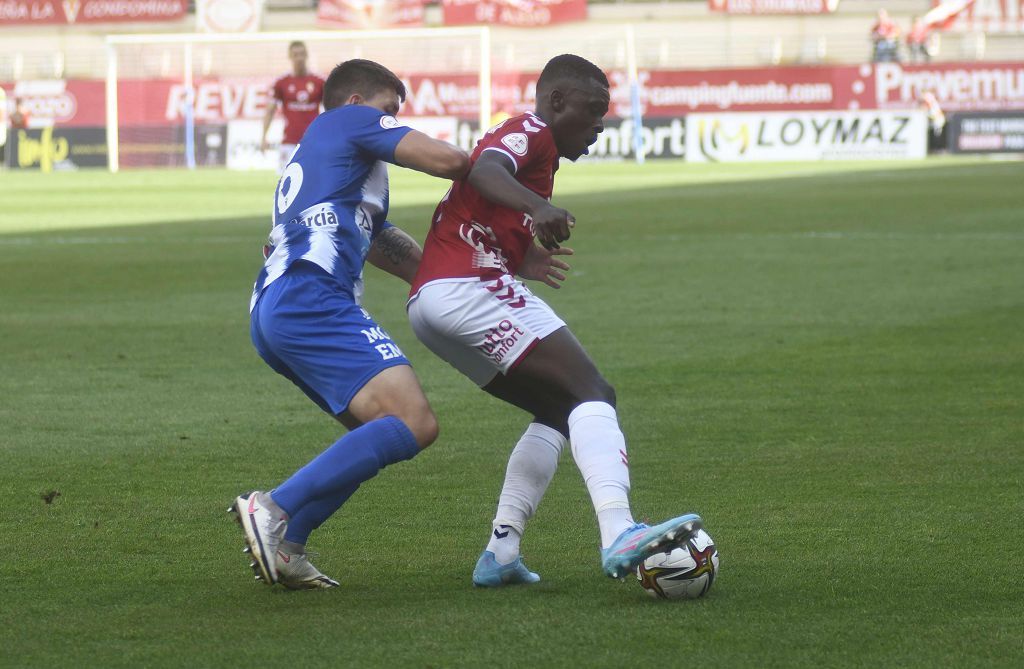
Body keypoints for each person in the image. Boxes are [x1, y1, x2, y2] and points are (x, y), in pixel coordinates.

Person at [406, 54, 705, 587]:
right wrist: (538, 209)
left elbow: (476, 209)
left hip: (434, 303)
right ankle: (619, 530)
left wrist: (523, 256)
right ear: (555, 101)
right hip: (466, 286)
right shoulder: (532, 129)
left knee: (557, 410)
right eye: (592, 112)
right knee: (594, 392)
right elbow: (484, 169)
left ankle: (501, 551)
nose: (598, 126)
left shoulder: (541, 151)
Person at [231, 59, 469, 590]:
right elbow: (449, 160)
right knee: (414, 422)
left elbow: (390, 248)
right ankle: (272, 508)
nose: (392, 121)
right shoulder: (344, 120)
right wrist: (497, 171)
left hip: (280, 304)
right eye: (389, 110)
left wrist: (480, 274)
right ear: (358, 102)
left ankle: (289, 546)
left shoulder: (340, 166)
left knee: (376, 430)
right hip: (311, 296)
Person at [261, 41, 325, 172]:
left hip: (313, 142)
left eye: (302, 54)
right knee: (286, 187)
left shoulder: (319, 82)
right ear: (290, 57)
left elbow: (331, 110)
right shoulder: (281, 83)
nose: (299, 58)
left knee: (314, 184)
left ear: (307, 55)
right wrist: (264, 136)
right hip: (289, 143)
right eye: (295, 55)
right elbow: (270, 111)